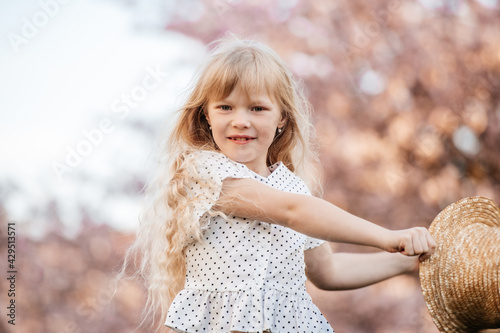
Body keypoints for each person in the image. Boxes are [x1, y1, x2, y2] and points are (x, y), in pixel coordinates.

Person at [123, 35, 437, 333]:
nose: (241, 120)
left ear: (282, 118)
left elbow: (328, 271)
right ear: (206, 115)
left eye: (257, 108)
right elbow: (291, 211)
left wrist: (405, 261)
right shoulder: (203, 172)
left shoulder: (293, 187)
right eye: (225, 107)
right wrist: (387, 237)